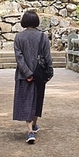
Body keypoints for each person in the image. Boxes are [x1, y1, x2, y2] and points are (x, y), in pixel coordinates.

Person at [13, 10, 53, 144]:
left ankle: (30, 129)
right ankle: (33, 126)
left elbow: (19, 58)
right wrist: (49, 72)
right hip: (39, 74)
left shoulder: (19, 37)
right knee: (37, 100)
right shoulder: (43, 37)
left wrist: (27, 73)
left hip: (23, 76)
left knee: (26, 101)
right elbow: (47, 57)